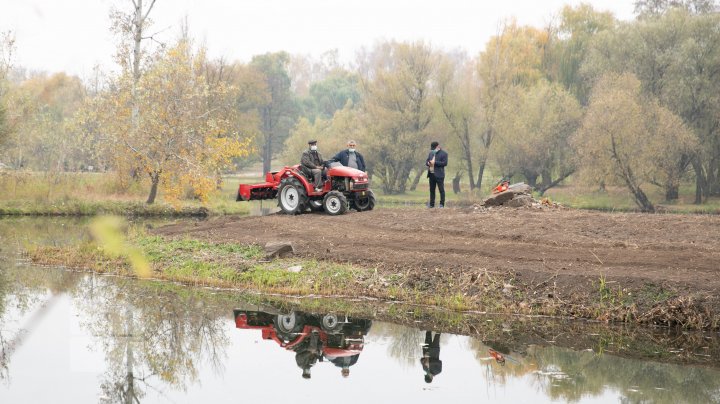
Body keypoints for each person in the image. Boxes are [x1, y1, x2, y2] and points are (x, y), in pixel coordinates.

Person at [425, 141, 448, 208]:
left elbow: (445, 163)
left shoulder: (444, 154)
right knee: (432, 190)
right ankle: (432, 204)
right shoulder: (431, 153)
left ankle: (441, 204)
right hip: (431, 174)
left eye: (434, 148)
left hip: (439, 175)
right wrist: (428, 163)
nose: (432, 150)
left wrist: (435, 162)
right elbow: (427, 161)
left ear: (438, 146)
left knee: (441, 190)